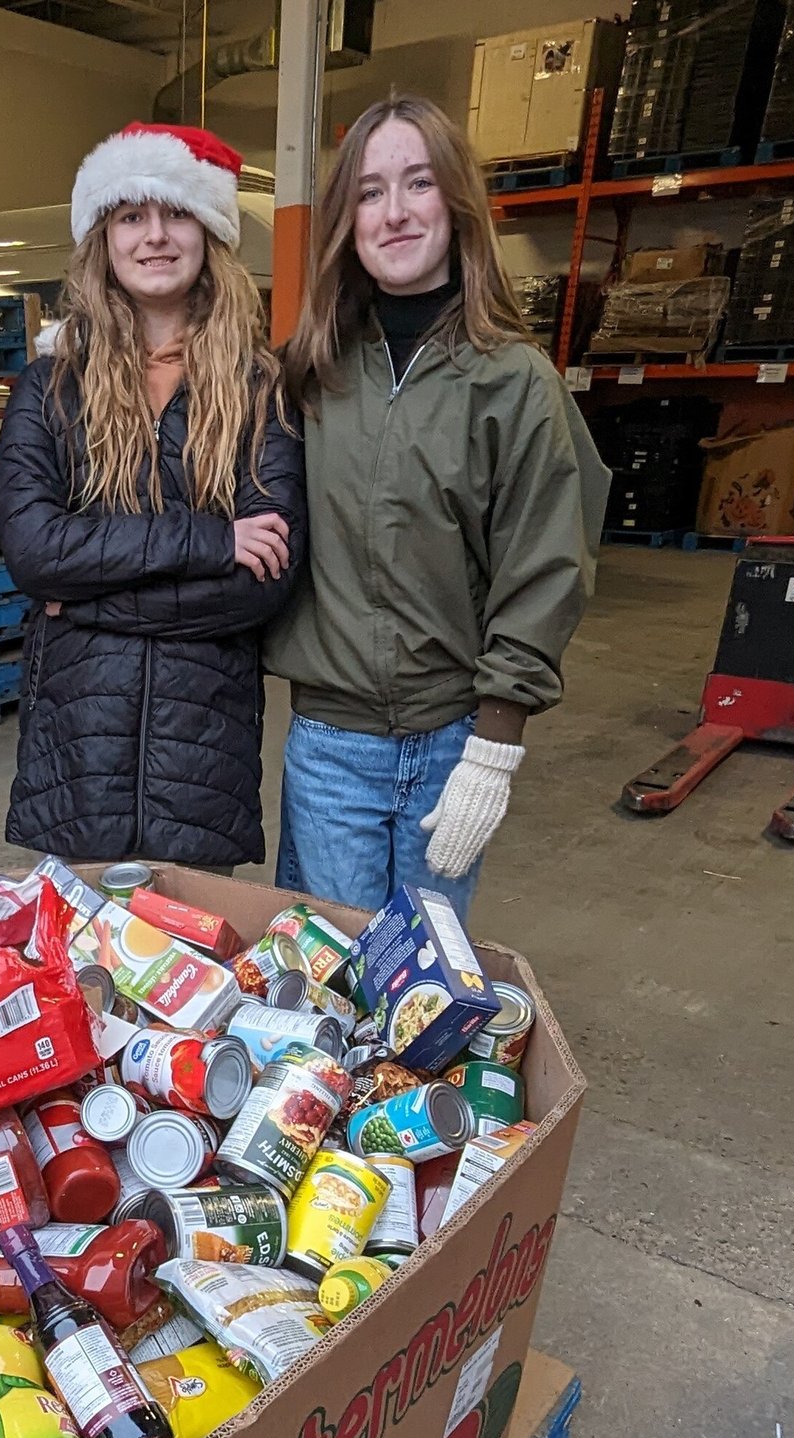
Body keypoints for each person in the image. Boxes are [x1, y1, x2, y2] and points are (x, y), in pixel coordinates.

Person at [265, 94, 609, 919]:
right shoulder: (307, 372)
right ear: (346, 219)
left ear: (455, 205)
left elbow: (544, 568)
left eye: (416, 183)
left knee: (424, 996)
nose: (393, 212)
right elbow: (197, 446)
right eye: (370, 190)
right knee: (329, 979)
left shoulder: (512, 381)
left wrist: (494, 747)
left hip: (451, 738)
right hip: (330, 743)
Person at [0, 123, 306, 869]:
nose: (155, 236)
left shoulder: (258, 389)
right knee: (80, 972)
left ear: (207, 233)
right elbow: (36, 554)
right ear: (102, 240)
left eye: (175, 213)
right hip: (77, 747)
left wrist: (87, 601)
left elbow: (259, 585)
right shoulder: (49, 389)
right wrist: (207, 541)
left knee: (195, 974)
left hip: (200, 758)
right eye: (131, 216)